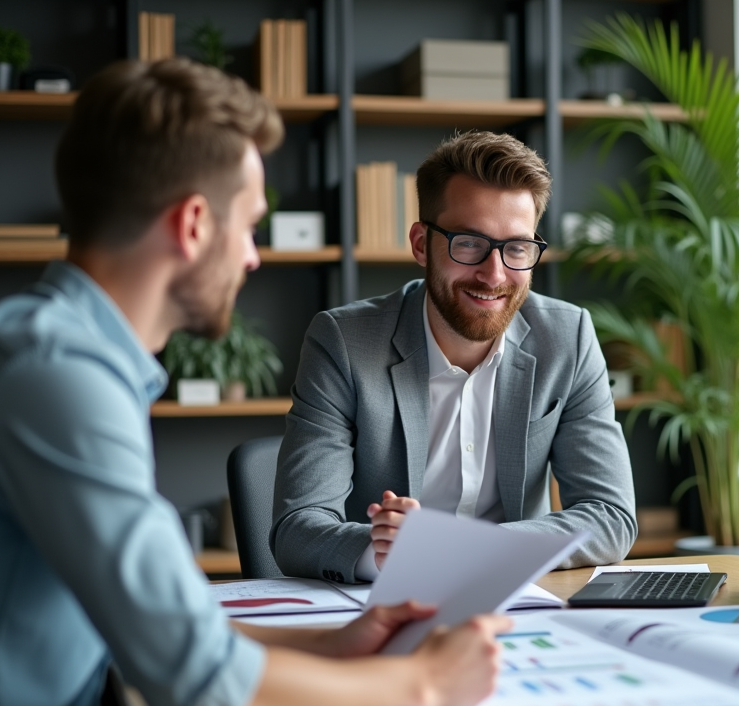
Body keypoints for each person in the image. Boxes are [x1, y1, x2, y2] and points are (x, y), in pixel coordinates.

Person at [0, 59, 510, 706]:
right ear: (192, 224)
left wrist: (339, 642)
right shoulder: (58, 381)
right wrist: (424, 683)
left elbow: (170, 630)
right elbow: (207, 692)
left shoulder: (52, 354)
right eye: (249, 225)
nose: (253, 255)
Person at [271, 131, 636, 582]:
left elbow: (610, 515)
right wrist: (385, 553)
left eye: (517, 247)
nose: (494, 274)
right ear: (422, 244)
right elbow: (297, 528)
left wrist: (470, 551)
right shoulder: (345, 342)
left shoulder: (567, 337)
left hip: (520, 603)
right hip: (384, 607)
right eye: (469, 243)